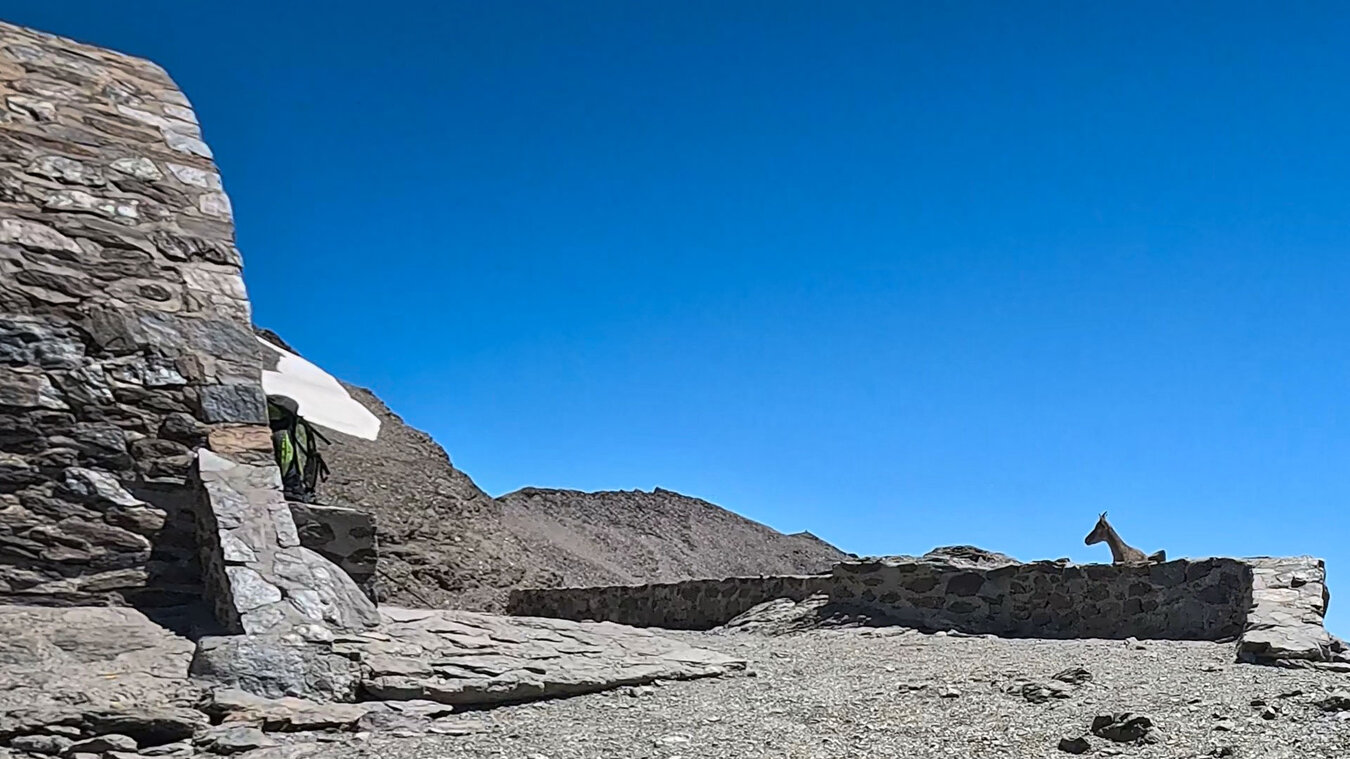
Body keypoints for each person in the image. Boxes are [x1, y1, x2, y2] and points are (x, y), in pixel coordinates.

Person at [266, 394, 330, 503]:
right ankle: (297, 486)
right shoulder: (297, 428)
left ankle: (291, 484)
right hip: (296, 487)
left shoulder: (279, 432)